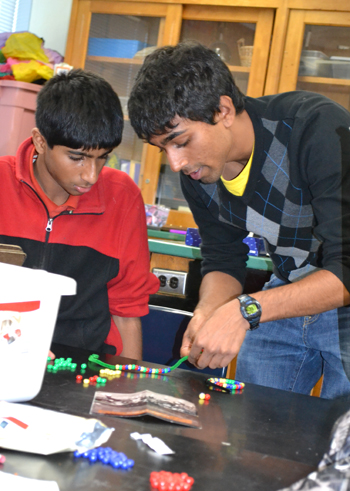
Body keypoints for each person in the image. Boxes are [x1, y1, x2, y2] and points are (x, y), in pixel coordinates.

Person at [128, 41, 350, 399]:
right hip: (289, 291)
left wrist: (244, 310)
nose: (175, 163)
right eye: (162, 148)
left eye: (180, 141)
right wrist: (208, 311)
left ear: (224, 110)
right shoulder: (199, 174)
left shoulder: (314, 129)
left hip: (340, 290)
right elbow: (223, 257)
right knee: (251, 426)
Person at [0, 69, 159, 359]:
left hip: (87, 366)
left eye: (103, 158)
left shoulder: (122, 196)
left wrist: (127, 389)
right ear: (40, 141)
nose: (91, 175)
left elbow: (127, 310)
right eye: (77, 158)